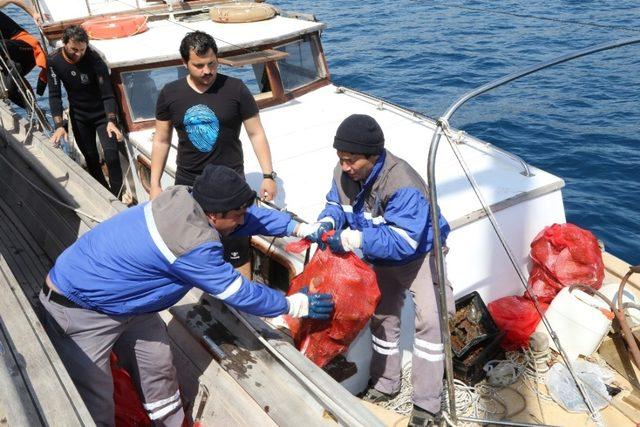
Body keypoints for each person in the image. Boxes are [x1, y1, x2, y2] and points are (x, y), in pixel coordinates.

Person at [39, 164, 334, 426]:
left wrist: (298, 227)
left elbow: (246, 217)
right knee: (95, 400)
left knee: (158, 366)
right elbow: (239, 292)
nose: (243, 220)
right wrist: (293, 305)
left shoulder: (188, 198)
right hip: (79, 307)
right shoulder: (192, 243)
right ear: (214, 215)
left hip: (131, 304)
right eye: (237, 215)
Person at [300, 114, 454, 426]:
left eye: (351, 160)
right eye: (340, 159)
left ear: (374, 156)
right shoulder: (343, 173)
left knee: (431, 324)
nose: (345, 167)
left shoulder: (404, 184)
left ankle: (427, 406)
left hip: (420, 254)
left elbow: (404, 242)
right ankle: (385, 383)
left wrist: (355, 238)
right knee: (382, 317)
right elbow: (336, 205)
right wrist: (328, 222)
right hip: (380, 254)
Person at [151, 30, 277, 278]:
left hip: (231, 182)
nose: (207, 71)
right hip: (189, 182)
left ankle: (242, 304)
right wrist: (155, 184)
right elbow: (162, 140)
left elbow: (256, 133)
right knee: (190, 243)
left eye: (212, 63)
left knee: (237, 248)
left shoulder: (236, 89)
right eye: (199, 66)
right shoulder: (170, 93)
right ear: (184, 63)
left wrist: (267, 175)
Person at [47, 25, 123, 197]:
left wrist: (111, 120)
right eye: (74, 49)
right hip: (80, 116)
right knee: (91, 159)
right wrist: (59, 125)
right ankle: (106, 195)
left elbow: (108, 95)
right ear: (64, 43)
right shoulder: (54, 60)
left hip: (102, 115)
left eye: (82, 49)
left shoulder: (95, 60)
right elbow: (54, 95)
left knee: (112, 157)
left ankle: (117, 196)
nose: (78, 54)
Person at [0, 0, 46, 108]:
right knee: (8, 89)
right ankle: (33, 110)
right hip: (14, 58)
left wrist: (33, 13)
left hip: (27, 46)